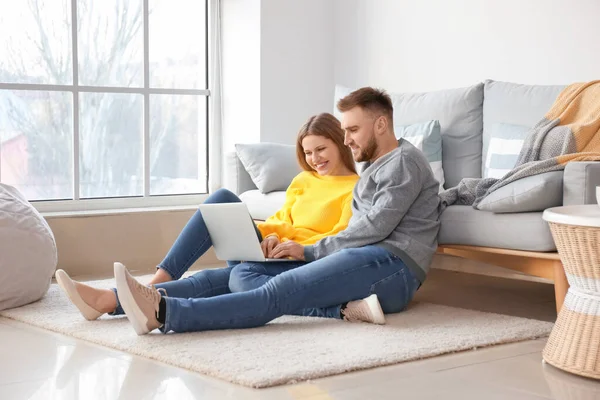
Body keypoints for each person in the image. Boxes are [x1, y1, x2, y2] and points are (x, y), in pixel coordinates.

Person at [112, 87, 442, 336]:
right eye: (344, 131)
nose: (347, 139)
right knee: (236, 276)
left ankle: (165, 312)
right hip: (368, 259)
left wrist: (310, 251)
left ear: (381, 124)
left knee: (278, 292)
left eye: (353, 130)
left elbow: (373, 226)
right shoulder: (377, 166)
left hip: (392, 268)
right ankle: (127, 298)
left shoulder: (404, 163)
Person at [56, 113, 364, 321]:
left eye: (321, 149)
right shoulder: (303, 181)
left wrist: (293, 246)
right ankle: (153, 284)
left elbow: (338, 240)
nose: (314, 159)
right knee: (221, 200)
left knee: (217, 279)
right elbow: (283, 220)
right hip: (274, 251)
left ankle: (113, 300)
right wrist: (270, 236)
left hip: (305, 261)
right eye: (308, 153)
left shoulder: (355, 188)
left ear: (341, 143)